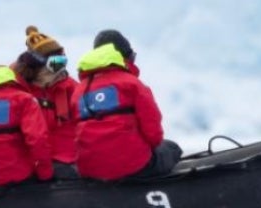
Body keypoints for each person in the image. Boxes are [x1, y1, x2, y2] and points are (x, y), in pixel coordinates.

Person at [74, 31, 182, 181]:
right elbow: (153, 133)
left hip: (90, 169)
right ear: (124, 57)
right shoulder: (132, 84)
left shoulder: (77, 91)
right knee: (171, 148)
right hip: (132, 166)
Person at [17, 25, 80, 179]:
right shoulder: (18, 91)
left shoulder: (71, 87)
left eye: (63, 61)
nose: (61, 69)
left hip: (70, 161)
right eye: (56, 63)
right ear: (37, 66)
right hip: (33, 164)